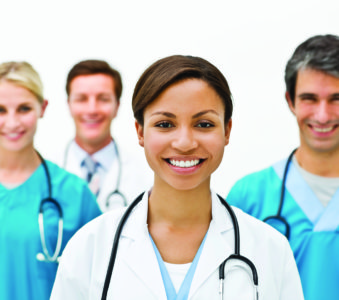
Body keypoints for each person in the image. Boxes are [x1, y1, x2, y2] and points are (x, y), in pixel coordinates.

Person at [50, 55, 303, 300]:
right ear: (140, 131)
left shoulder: (270, 250)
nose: (184, 143)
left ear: (227, 130)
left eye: (203, 124)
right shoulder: (89, 247)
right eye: (165, 124)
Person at [226, 34, 339, 300]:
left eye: (336, 98)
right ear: (290, 101)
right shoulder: (249, 196)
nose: (323, 115)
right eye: (309, 98)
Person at [0, 61, 101, 300]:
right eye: (1, 110)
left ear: (42, 108)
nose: (12, 123)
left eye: (24, 109)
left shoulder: (73, 193)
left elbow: (102, 278)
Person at [54, 59, 152, 212]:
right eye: (81, 99)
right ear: (69, 105)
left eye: (103, 99)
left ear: (117, 106)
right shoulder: (47, 171)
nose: (92, 109)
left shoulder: (146, 175)